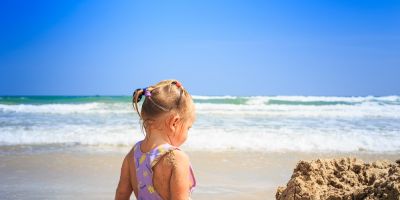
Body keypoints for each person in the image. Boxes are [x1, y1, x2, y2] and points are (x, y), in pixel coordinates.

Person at [115, 80, 196, 200]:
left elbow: (121, 195)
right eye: (188, 128)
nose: (187, 133)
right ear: (174, 122)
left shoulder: (132, 155)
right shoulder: (178, 158)